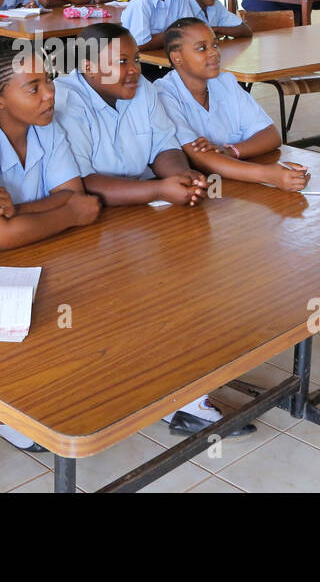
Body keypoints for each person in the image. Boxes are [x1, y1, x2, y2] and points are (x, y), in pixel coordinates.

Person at [52, 22, 249, 438]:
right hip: (88, 222)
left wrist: (181, 179)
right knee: (133, 301)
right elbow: (83, 182)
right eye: (120, 62)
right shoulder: (66, 101)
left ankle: (180, 389)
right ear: (87, 67)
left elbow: (165, 147)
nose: (132, 71)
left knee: (191, 276)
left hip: (142, 212)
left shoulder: (142, 90)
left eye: (135, 59)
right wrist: (157, 188)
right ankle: (159, 393)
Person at [0, 38, 100, 468]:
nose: (49, 93)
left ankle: (26, 400)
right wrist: (68, 215)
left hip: (39, 251)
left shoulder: (48, 126)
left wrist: (20, 210)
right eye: (33, 87)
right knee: (11, 341)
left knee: (91, 298)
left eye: (48, 80)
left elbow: (74, 193)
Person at [155, 18, 309, 191]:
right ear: (177, 58)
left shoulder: (224, 81)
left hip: (234, 184)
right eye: (202, 48)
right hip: (206, 190)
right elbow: (200, 158)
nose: (214, 53)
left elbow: (270, 135)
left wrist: (231, 151)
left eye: (215, 45)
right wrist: (269, 175)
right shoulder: (164, 95)